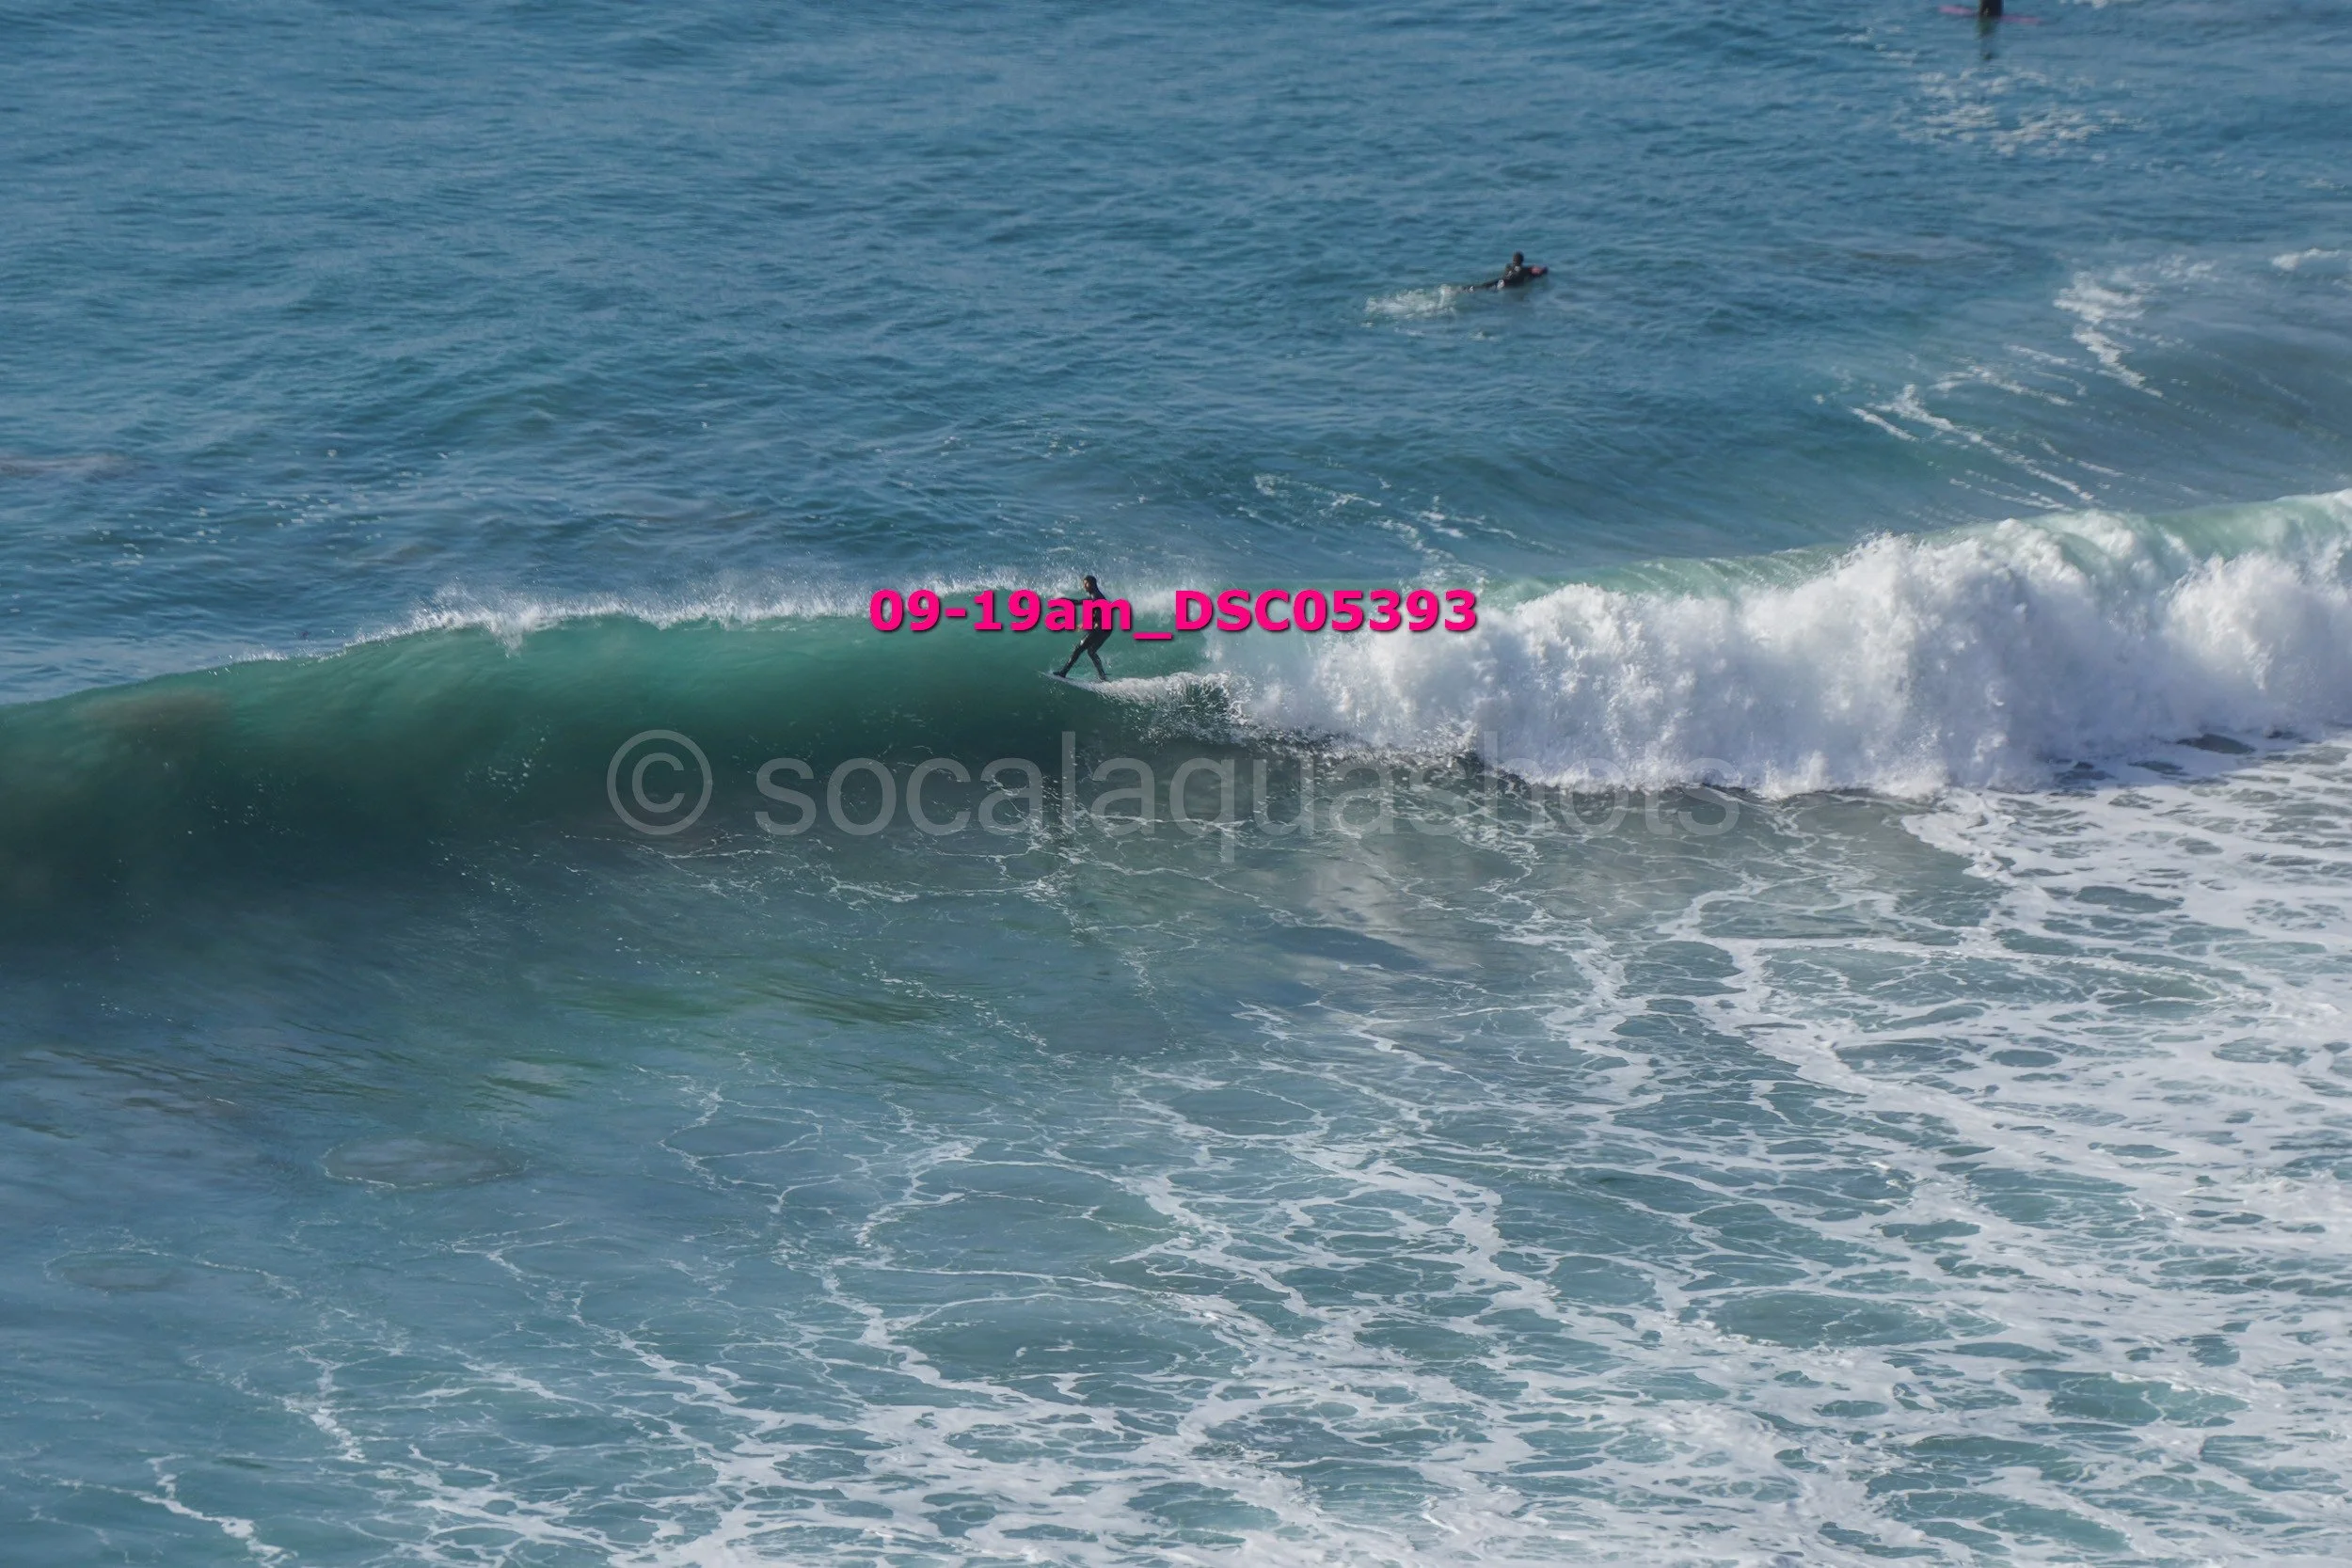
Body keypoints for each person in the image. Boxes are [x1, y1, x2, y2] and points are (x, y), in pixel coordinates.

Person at [1056, 575, 1114, 680]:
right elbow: (1077, 602)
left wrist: (1085, 624)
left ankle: (1063, 672)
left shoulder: (1096, 597)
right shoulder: (1094, 596)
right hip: (1106, 629)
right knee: (1091, 651)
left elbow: (1100, 615)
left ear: (1090, 584)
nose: (1084, 587)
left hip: (1101, 628)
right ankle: (1102, 676)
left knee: (1078, 649)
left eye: (1085, 584)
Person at [1468, 253, 1541, 291]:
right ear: (1522, 260)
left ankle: (1467, 288)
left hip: (1501, 280)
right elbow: (1537, 273)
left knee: (1483, 287)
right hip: (1509, 284)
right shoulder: (1525, 269)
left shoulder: (1508, 266)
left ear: (1513, 260)